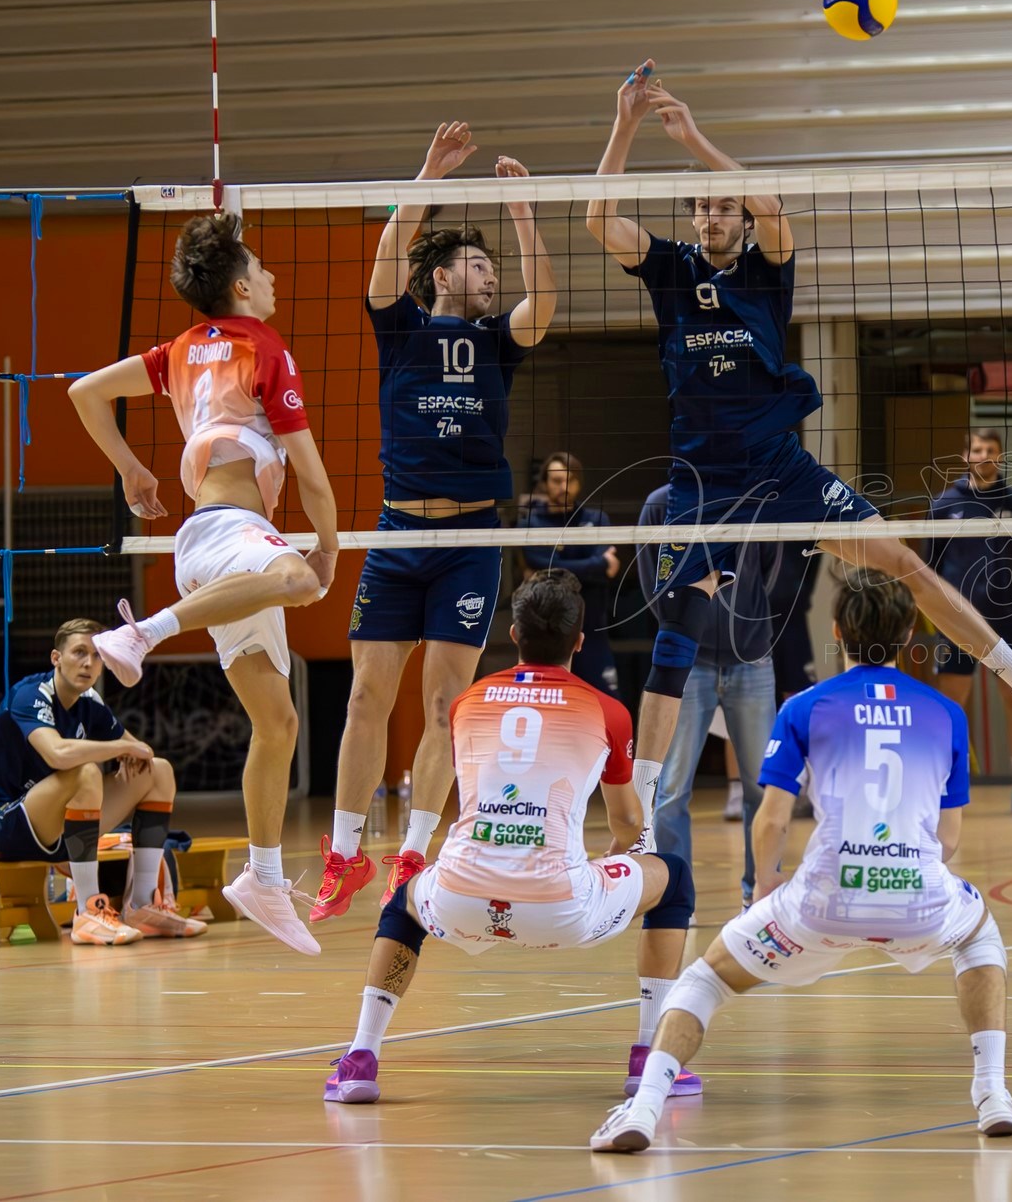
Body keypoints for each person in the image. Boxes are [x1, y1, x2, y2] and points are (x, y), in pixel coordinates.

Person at [584, 58, 1012, 848]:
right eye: (701, 207)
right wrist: (625, 124)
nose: (712, 215)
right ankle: (642, 826)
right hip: (702, 480)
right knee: (676, 644)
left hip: (781, 470)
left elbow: (771, 202)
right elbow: (597, 219)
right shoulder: (669, 270)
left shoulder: (768, 271)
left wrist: (693, 138)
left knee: (906, 562)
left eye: (723, 206)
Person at [589, 569, 1012, 1152]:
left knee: (704, 980)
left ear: (838, 630)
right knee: (980, 940)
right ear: (907, 635)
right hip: (919, 900)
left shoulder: (805, 706)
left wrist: (766, 889)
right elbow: (948, 839)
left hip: (820, 902)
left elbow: (770, 820)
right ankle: (993, 1095)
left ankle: (642, 1110)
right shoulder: (947, 713)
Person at [70, 213, 341, 954]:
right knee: (294, 577)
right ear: (244, 285)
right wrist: (327, 550)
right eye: (265, 267)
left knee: (278, 722)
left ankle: (260, 873)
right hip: (234, 540)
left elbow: (85, 393)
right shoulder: (265, 347)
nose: (277, 278)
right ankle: (144, 632)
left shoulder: (178, 351)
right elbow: (312, 474)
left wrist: (129, 466)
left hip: (207, 547)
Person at [322, 571, 700, 1102]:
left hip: (458, 900)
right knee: (674, 878)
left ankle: (361, 1057)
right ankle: (649, 1059)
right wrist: (621, 858)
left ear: (515, 636)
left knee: (401, 904)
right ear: (579, 642)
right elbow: (626, 826)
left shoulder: (466, 703)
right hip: (561, 909)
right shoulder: (607, 712)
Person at [313, 123, 558, 923]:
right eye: (479, 264)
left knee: (445, 703)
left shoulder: (497, 341)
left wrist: (522, 216)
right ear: (441, 273)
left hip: (470, 541)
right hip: (396, 536)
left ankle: (414, 852)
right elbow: (386, 256)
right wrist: (426, 173)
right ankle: (344, 854)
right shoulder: (402, 327)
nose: (490, 278)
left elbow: (545, 304)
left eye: (493, 266)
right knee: (364, 701)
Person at [0, 619, 205, 945]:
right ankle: (88, 911)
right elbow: (58, 754)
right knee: (85, 772)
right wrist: (120, 747)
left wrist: (133, 748)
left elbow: (142, 754)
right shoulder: (29, 695)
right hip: (0, 824)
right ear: (56, 658)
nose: (88, 663)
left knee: (159, 771)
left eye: (97, 656)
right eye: (79, 653)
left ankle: (144, 905)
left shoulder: (89, 702)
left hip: (56, 827)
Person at [635, 482, 776, 906]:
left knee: (761, 786)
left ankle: (760, 894)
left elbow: (770, 571)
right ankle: (675, 896)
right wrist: (685, 632)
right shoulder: (661, 503)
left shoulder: (756, 501)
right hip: (688, 664)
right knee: (672, 788)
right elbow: (649, 583)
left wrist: (747, 627)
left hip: (750, 657)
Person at [925, 428, 1012, 814]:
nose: (984, 456)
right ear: (966, 456)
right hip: (956, 619)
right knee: (952, 702)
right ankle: (943, 784)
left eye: (992, 450)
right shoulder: (943, 504)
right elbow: (932, 566)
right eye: (978, 449)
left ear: (1000, 456)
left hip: (1005, 619)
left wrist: (1008, 599)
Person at [520, 451, 622, 700]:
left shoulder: (596, 519)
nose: (564, 486)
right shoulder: (530, 523)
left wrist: (555, 568)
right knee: (550, 709)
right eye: (556, 480)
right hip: (548, 637)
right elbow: (537, 562)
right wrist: (596, 563)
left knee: (606, 703)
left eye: (571, 480)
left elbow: (609, 570)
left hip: (592, 633)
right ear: (544, 482)